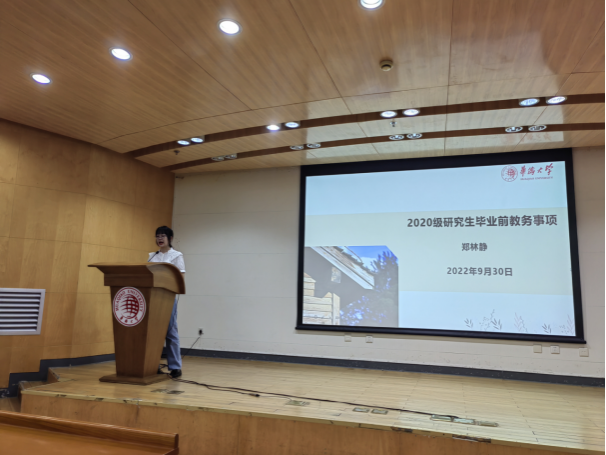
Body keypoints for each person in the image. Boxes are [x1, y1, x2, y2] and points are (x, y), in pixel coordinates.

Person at [148, 226, 185, 378]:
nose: (159, 239)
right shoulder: (152, 256)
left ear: (170, 238)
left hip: (168, 298)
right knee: (153, 332)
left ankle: (175, 367)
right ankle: (152, 365)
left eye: (162, 236)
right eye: (157, 236)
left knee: (170, 332)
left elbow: (180, 278)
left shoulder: (176, 255)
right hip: (153, 298)